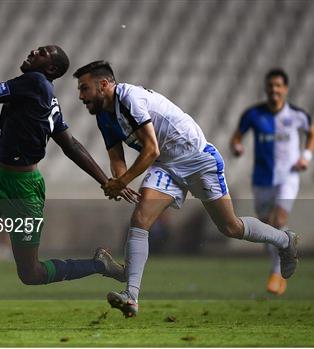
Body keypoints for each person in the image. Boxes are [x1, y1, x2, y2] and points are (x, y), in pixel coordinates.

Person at [0, 44, 138, 330]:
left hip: (23, 190)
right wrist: (105, 180)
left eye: (43, 52)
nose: (35, 51)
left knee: (31, 273)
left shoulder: (35, 83)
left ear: (50, 69)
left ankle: (98, 265)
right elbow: (69, 143)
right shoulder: (42, 91)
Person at [72, 61, 299, 318]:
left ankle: (284, 240)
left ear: (104, 85)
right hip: (165, 165)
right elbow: (116, 157)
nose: (81, 96)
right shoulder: (104, 115)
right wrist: (120, 179)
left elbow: (151, 149)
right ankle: (131, 297)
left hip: (195, 157)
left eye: (84, 88)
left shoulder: (129, 98)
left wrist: (122, 182)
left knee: (231, 227)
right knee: (140, 219)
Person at [230, 68, 314, 295]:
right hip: (261, 179)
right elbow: (237, 136)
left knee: (278, 220)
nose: (274, 90)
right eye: (270, 86)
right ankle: (284, 254)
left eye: (278, 86)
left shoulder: (297, 115)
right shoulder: (253, 114)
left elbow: (312, 133)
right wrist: (237, 146)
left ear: (285, 89)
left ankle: (277, 273)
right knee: (268, 228)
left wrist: (305, 157)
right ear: (266, 88)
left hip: (288, 176)